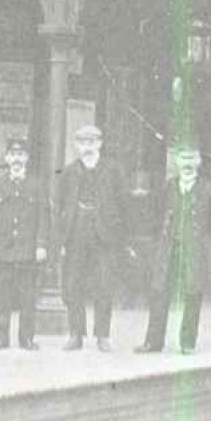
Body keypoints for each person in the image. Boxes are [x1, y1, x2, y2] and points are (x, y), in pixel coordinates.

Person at [136, 139, 211, 355]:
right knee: (159, 292)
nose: (187, 164)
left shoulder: (210, 190)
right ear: (177, 162)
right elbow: (155, 214)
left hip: (195, 251)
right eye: (183, 159)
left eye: (192, 159)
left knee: (192, 294)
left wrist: (203, 238)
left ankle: (187, 343)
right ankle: (153, 342)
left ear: (199, 162)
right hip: (169, 248)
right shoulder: (168, 187)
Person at [56, 124, 130, 353]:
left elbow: (124, 204)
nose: (87, 147)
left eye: (91, 142)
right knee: (73, 284)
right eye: (82, 143)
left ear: (100, 144)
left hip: (104, 234)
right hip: (76, 232)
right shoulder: (68, 172)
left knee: (104, 284)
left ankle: (103, 336)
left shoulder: (113, 170)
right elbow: (59, 205)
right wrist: (61, 238)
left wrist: (120, 235)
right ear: (76, 146)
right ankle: (75, 334)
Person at [0, 138, 49, 351]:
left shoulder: (36, 185)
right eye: (13, 155)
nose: (17, 159)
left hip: (27, 250)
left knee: (28, 297)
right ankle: (1, 337)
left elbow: (43, 217)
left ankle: (26, 338)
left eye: (21, 155)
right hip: (3, 249)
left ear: (27, 158)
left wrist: (41, 244)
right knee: (2, 297)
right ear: (7, 158)